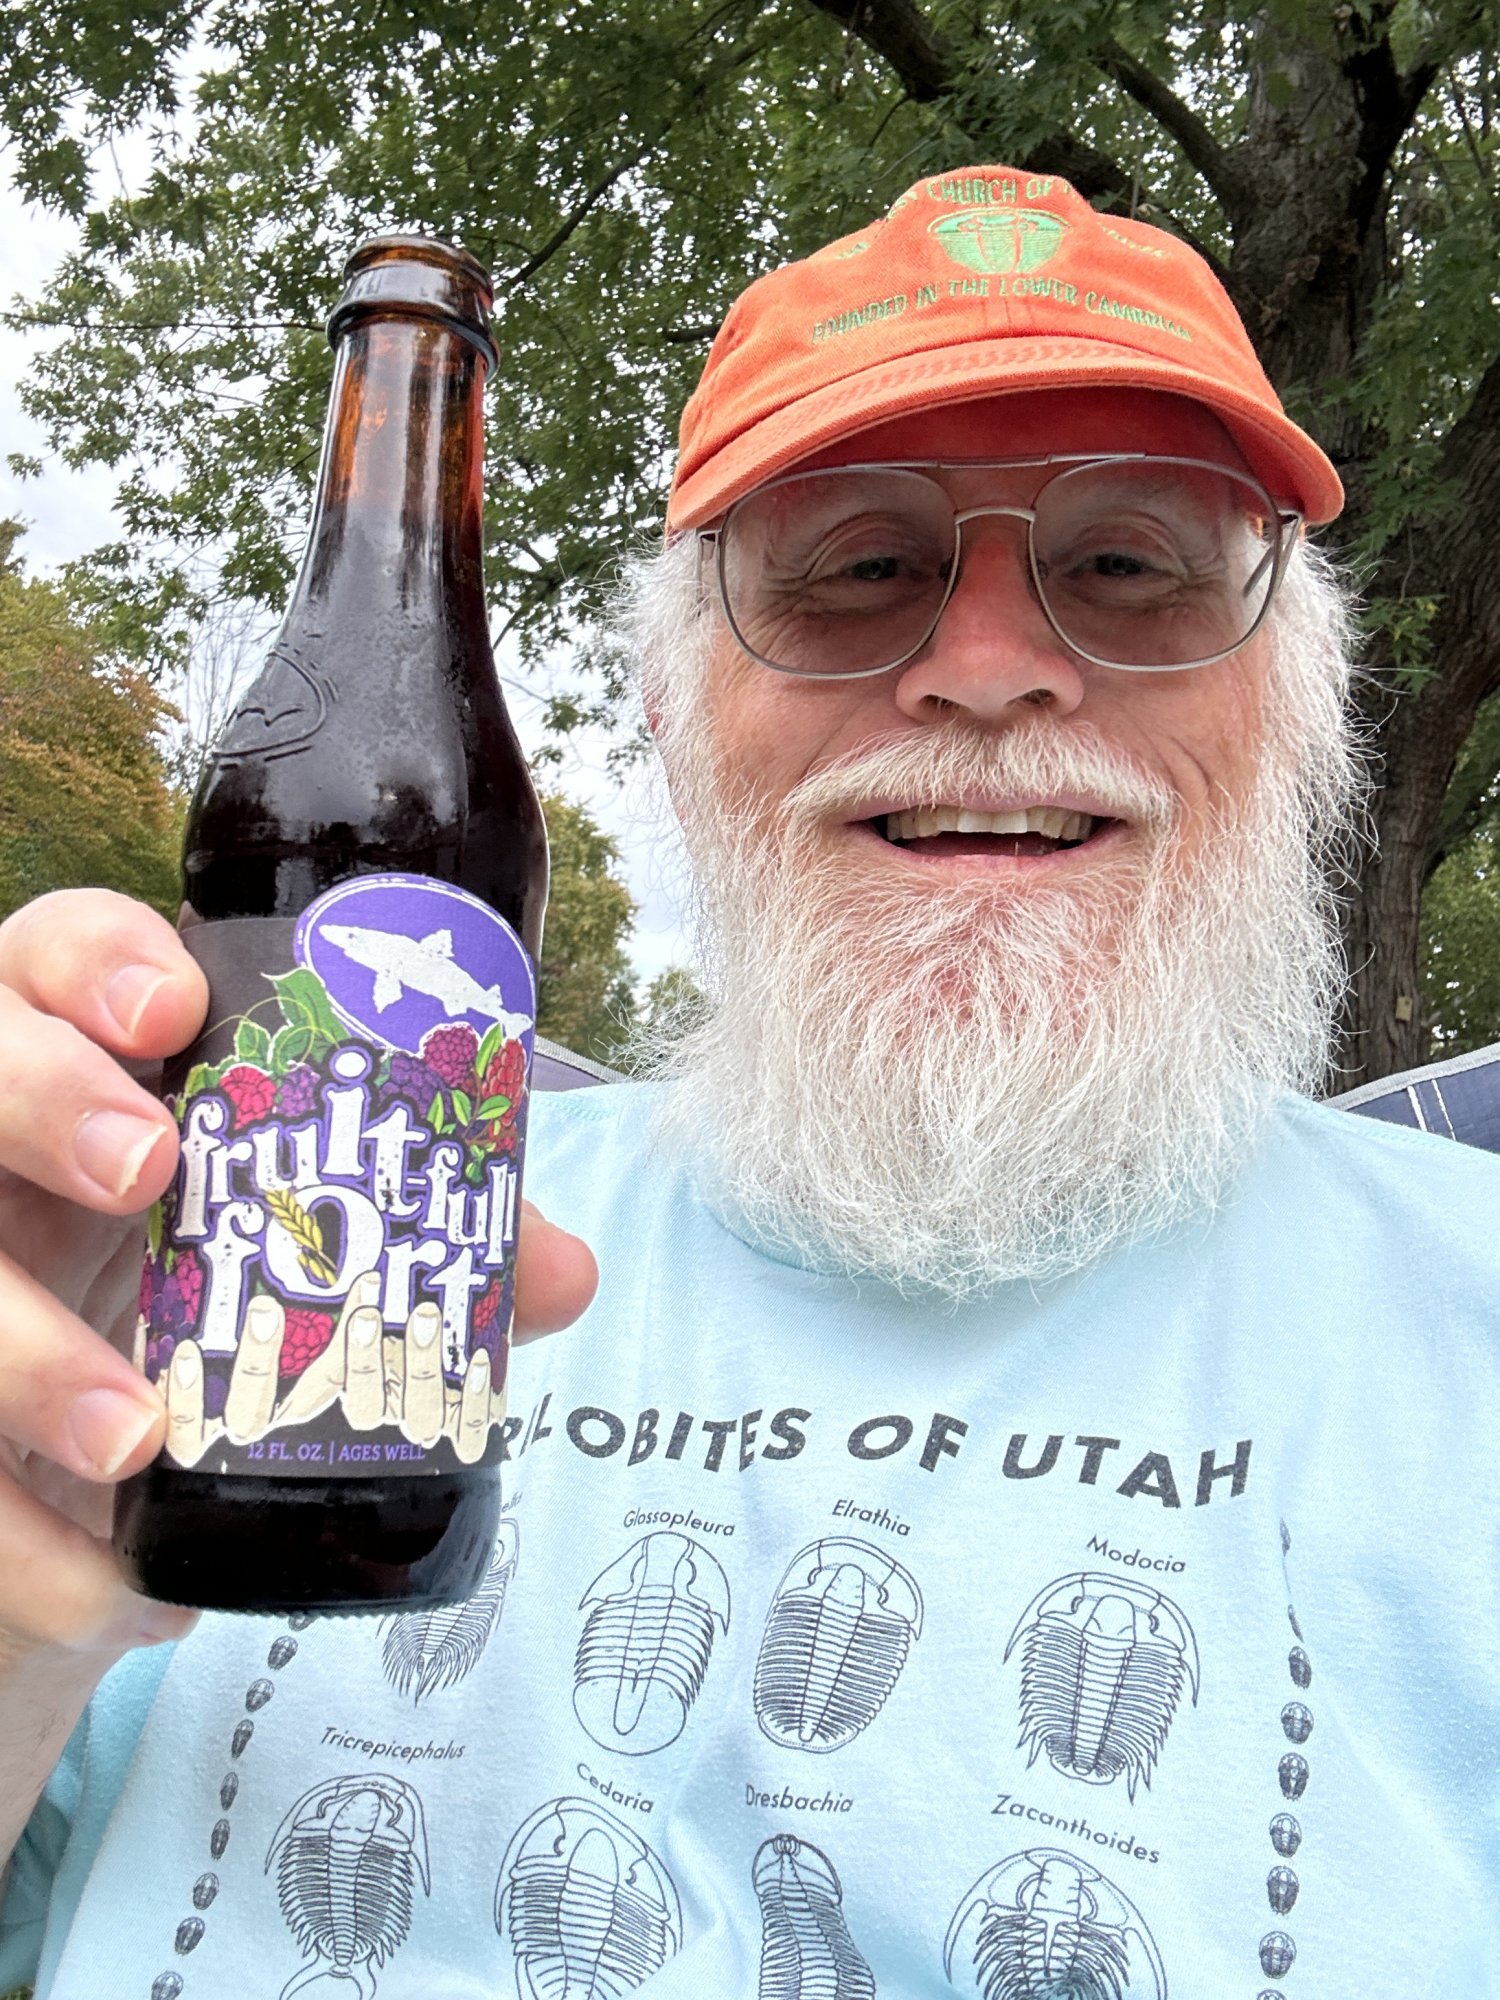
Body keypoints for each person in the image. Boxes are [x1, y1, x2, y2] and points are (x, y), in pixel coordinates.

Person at [0, 164, 1497, 1999]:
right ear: (672, 717)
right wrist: (27, 1588)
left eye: (1127, 565)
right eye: (860, 569)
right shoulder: (276, 1251)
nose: (988, 672)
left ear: (1298, 711)